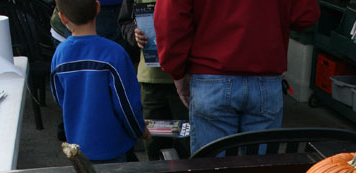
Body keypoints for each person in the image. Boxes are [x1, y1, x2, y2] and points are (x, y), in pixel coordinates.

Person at [154, 0, 320, 155]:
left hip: (212, 80)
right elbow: (305, 15)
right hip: (265, 80)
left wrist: (177, 72)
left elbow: (169, 20)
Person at [51, 0, 149, 164]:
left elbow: (59, 98)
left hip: (78, 146)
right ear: (98, 7)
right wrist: (139, 130)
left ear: (62, 17)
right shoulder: (115, 53)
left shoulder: (60, 54)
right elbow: (127, 106)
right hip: (113, 145)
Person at [119, 0, 189, 162]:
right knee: (155, 142)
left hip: (185, 79)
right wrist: (133, 34)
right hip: (152, 81)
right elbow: (125, 21)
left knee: (187, 139)